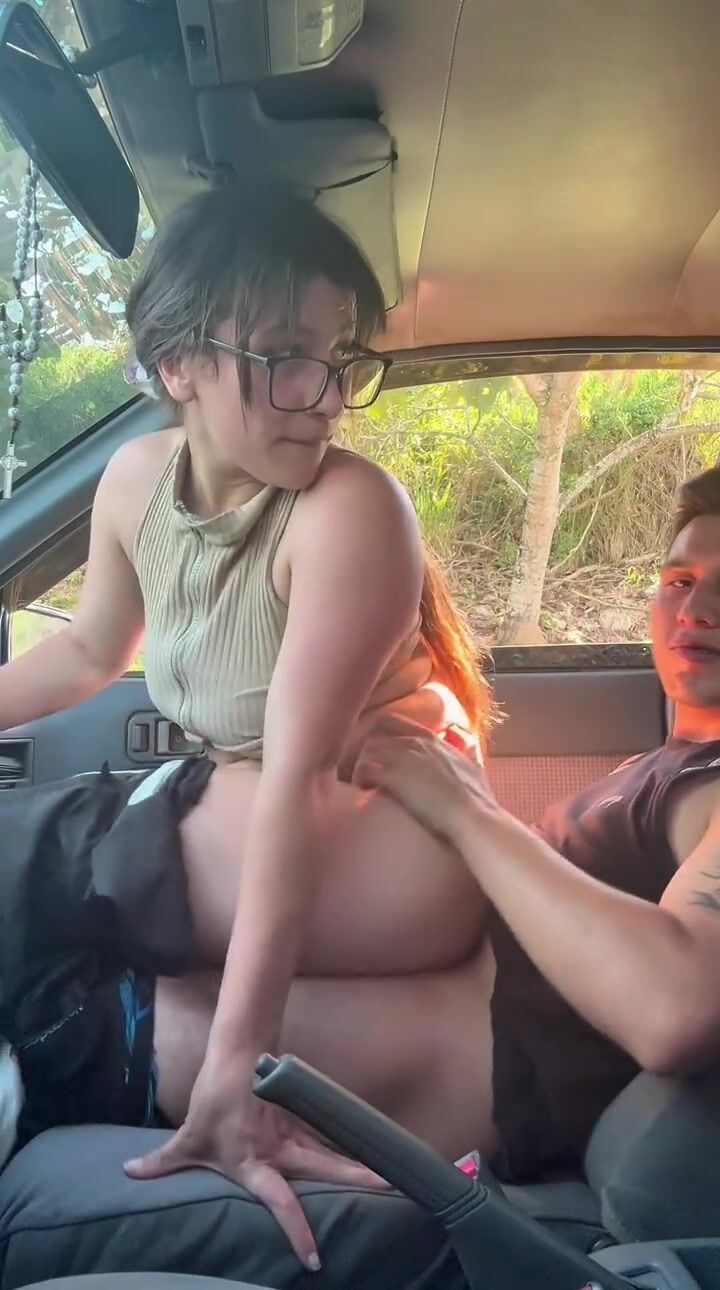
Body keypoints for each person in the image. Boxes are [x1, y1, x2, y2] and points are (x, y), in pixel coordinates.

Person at [0, 182, 496, 1270]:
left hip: (388, 833)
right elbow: (88, 653)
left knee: (29, 856)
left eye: (337, 357)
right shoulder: (135, 482)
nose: (324, 396)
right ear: (177, 363)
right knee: (58, 916)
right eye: (283, 356)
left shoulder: (348, 510)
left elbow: (296, 784)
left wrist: (239, 1067)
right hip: (260, 803)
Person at [355, 462, 720, 1185]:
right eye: (680, 580)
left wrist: (467, 812)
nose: (698, 608)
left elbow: (675, 1010)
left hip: (476, 1082)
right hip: (419, 1018)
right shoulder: (659, 766)